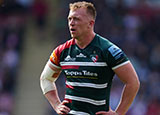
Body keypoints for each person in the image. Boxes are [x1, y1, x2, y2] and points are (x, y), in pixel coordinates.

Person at [40, 1, 140, 115]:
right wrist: (56, 104)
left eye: (76, 19)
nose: (71, 23)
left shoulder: (107, 50)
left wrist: (119, 113)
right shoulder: (62, 51)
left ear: (90, 23)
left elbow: (133, 82)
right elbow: (45, 79)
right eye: (69, 19)